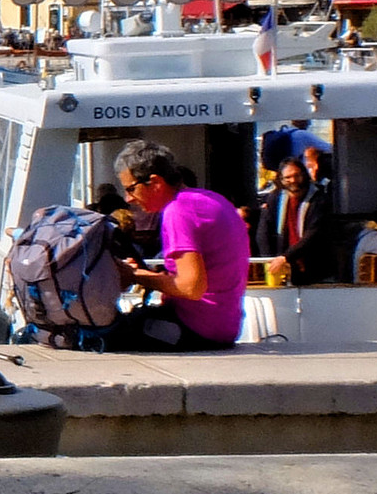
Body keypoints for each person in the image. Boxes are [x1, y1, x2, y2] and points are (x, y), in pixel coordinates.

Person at [109, 140, 249, 352]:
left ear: (155, 182)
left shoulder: (178, 211)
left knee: (102, 334)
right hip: (226, 328)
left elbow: (191, 288)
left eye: (131, 189)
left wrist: (134, 275)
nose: (129, 199)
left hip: (195, 330)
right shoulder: (211, 199)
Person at [257, 157, 336, 286]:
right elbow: (263, 231)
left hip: (316, 267)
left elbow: (314, 233)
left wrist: (286, 257)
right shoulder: (275, 198)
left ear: (304, 175)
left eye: (297, 176)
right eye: (288, 177)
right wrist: (270, 260)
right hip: (285, 268)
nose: (293, 181)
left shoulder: (319, 199)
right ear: (281, 180)